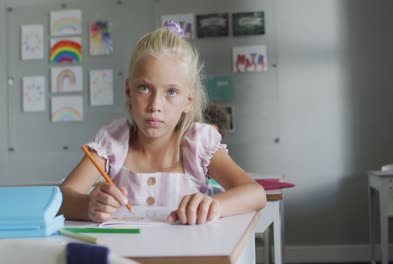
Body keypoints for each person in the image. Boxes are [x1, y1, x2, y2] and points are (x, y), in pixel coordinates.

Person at [59, 20, 266, 225]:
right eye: (144, 88)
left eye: (171, 92)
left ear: (188, 100)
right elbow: (61, 199)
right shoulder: (112, 143)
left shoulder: (198, 145)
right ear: (128, 92)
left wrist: (214, 204)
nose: (155, 105)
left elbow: (255, 193)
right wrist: (88, 205)